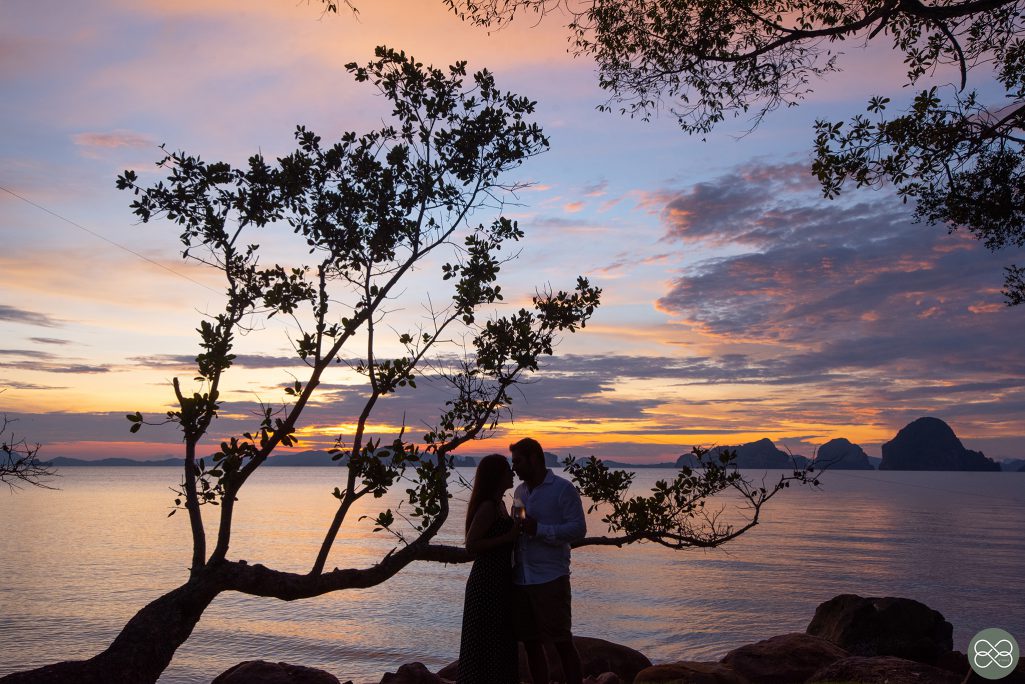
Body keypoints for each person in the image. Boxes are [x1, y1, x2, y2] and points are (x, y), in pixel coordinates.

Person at [510, 437, 587, 684]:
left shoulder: (563, 489)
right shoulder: (520, 491)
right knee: (531, 644)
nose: (514, 468)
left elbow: (578, 530)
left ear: (534, 458)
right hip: (522, 578)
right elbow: (520, 525)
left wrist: (540, 529)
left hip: (551, 577)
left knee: (562, 641)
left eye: (518, 461)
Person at [457, 453, 521, 684]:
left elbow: (516, 532)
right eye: (507, 470)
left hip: (501, 579)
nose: (512, 473)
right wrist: (508, 536)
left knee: (500, 639)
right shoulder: (487, 507)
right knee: (485, 641)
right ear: (497, 476)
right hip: (486, 582)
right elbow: (471, 545)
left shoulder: (502, 504)